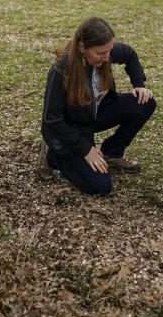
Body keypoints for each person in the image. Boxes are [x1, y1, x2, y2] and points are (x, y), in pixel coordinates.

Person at [37, 16, 156, 195]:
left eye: (108, 51)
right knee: (101, 186)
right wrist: (85, 149)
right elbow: (51, 120)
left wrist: (139, 84)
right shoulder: (61, 71)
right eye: (100, 53)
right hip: (71, 129)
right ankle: (51, 154)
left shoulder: (105, 52)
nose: (107, 57)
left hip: (96, 114)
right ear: (81, 47)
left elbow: (129, 54)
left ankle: (112, 152)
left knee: (145, 102)